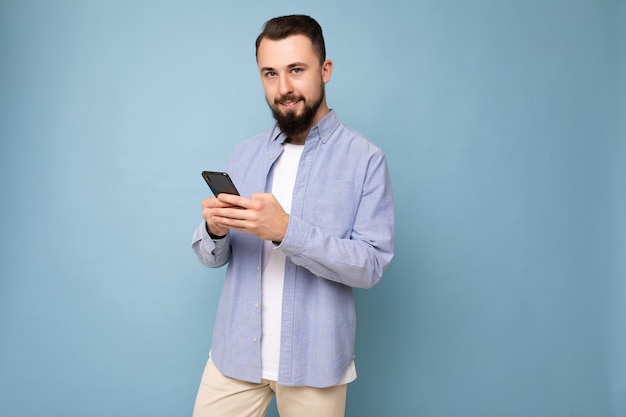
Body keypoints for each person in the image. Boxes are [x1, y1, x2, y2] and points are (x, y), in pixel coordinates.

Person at [191, 14, 394, 417]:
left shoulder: (365, 160)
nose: (283, 88)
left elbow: (370, 266)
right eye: (270, 73)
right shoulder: (244, 153)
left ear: (325, 70)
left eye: (296, 70)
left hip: (314, 362)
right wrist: (214, 229)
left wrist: (286, 231)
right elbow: (211, 256)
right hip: (235, 357)